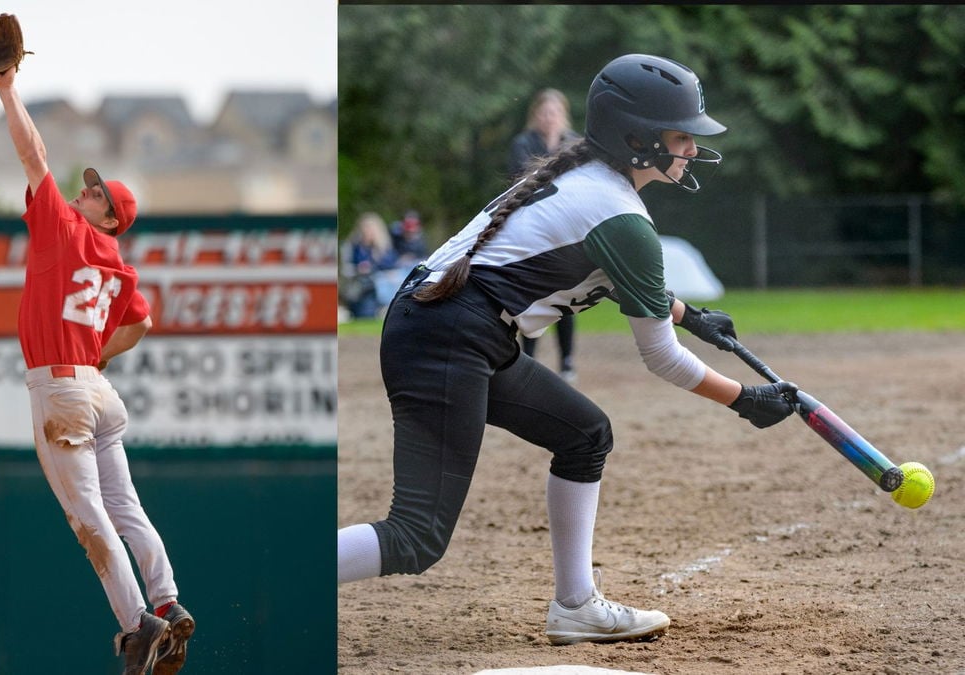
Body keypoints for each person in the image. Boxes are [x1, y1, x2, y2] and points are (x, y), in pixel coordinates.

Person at [336, 54, 798, 646]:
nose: (691, 148)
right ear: (638, 139)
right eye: (681, 136)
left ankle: (576, 606)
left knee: (584, 435)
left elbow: (598, 272)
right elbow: (660, 357)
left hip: (451, 327)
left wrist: (692, 316)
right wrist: (743, 398)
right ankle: (276, 569)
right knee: (416, 536)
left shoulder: (589, 181)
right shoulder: (623, 217)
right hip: (449, 335)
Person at [0, 65, 194, 675]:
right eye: (90, 188)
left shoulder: (66, 227)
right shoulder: (119, 266)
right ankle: (168, 598)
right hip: (98, 391)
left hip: (61, 391)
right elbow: (143, 324)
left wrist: (5, 89)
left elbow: (33, 152)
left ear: (108, 219)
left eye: (98, 194)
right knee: (126, 506)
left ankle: (138, 626)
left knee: (90, 517)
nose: (86, 191)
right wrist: (103, 353)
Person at [509, 88, 584, 383]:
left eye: (554, 112)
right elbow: (522, 181)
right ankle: (528, 358)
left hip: (566, 229)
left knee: (566, 294)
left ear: (562, 115)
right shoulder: (522, 143)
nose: (549, 118)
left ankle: (566, 360)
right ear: (535, 116)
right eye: (544, 112)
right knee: (532, 295)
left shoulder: (574, 143)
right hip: (534, 227)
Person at [341, 212, 398, 319]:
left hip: (381, 285)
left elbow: (391, 267)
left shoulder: (383, 249)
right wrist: (359, 269)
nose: (368, 233)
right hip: (360, 285)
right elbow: (346, 270)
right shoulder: (354, 247)